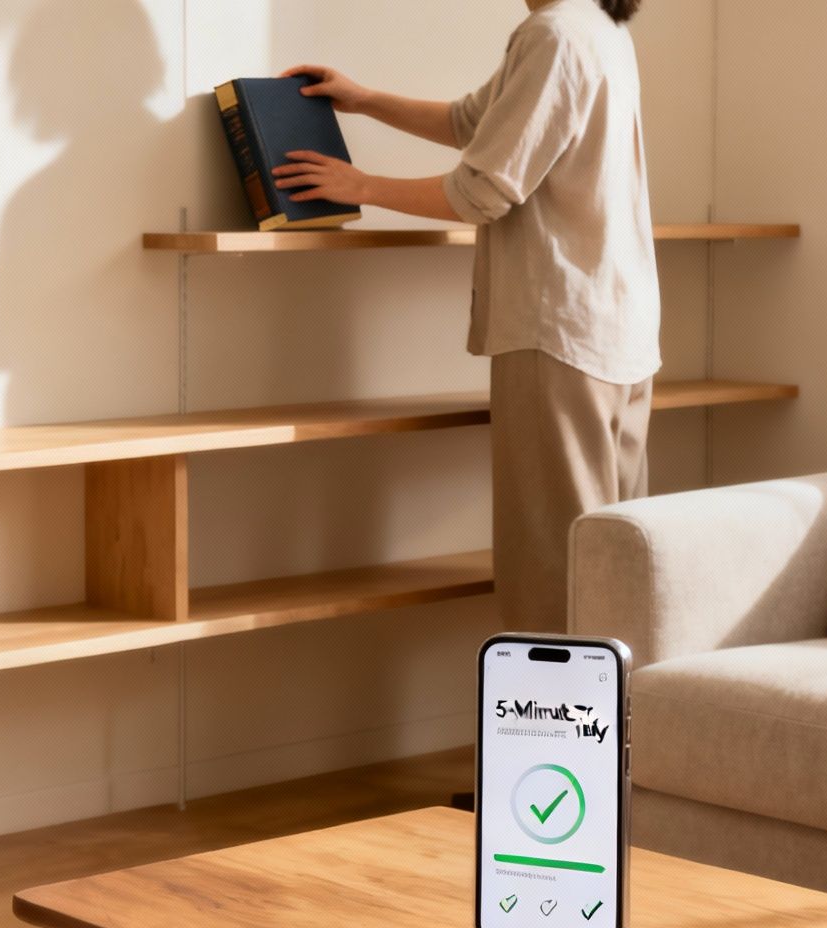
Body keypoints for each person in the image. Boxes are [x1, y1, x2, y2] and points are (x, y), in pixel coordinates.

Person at [274, 0, 660, 635]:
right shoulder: (599, 29)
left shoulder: (555, 34)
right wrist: (364, 98)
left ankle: (551, 733)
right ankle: (621, 733)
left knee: (551, 579)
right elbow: (473, 123)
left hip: (556, 332)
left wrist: (360, 186)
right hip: (616, 328)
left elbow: (482, 190)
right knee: (606, 568)